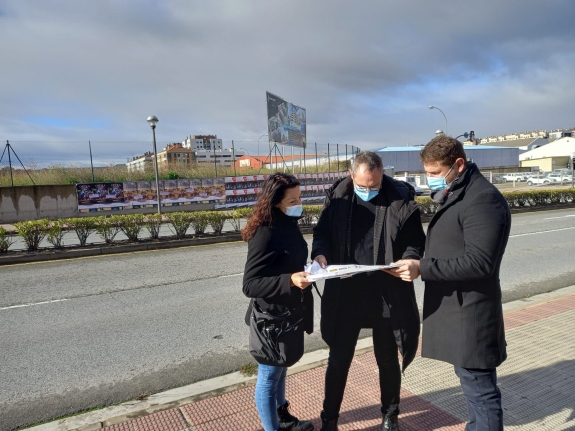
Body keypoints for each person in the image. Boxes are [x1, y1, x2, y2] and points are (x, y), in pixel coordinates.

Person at [390, 136, 511, 431]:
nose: (429, 179)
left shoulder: (482, 199)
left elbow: (480, 262)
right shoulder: (460, 191)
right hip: (459, 312)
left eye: (434, 172)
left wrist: (423, 268)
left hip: (471, 315)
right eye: (426, 172)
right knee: (473, 391)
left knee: (481, 394)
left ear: (458, 164)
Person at [311, 151, 426, 431]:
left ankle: (390, 416)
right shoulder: (337, 197)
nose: (369, 190)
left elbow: (414, 242)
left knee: (387, 360)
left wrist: (409, 259)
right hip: (345, 293)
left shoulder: (400, 200)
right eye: (363, 185)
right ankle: (329, 420)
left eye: (374, 185)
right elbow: (322, 233)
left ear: (382, 174)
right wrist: (320, 254)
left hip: (385, 294)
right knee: (338, 360)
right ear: (352, 175)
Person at [242, 173, 315, 431]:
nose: (299, 203)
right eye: (292, 199)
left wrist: (312, 266)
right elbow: (250, 285)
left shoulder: (288, 222)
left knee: (282, 367)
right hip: (270, 319)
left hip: (289, 312)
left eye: (300, 197)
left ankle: (282, 417)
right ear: (275, 202)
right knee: (269, 375)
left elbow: (288, 260)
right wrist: (290, 280)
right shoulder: (265, 232)